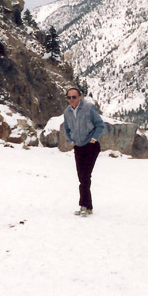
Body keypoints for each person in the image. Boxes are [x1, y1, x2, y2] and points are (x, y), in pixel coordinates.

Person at [63, 87, 105, 216]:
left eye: (74, 97)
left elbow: (100, 124)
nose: (71, 100)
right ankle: (88, 206)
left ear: (79, 97)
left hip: (91, 146)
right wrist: (72, 140)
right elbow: (66, 128)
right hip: (78, 146)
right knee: (82, 177)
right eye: (69, 97)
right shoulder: (67, 112)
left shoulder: (88, 108)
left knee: (85, 177)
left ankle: (84, 206)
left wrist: (94, 138)